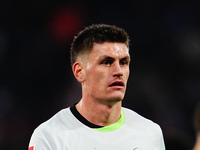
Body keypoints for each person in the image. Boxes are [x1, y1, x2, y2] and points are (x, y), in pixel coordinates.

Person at [28, 24, 165, 150]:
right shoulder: (50, 137)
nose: (118, 71)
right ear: (79, 72)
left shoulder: (150, 134)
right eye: (106, 62)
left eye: (123, 62)